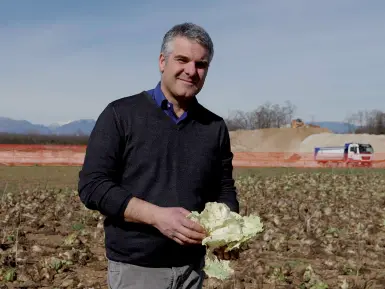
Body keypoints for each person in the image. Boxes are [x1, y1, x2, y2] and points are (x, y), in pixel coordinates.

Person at [78, 22, 239, 289]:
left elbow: (223, 189)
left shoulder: (214, 127)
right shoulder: (121, 114)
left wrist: (227, 231)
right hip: (137, 269)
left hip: (192, 270)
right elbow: (92, 186)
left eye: (201, 64)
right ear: (162, 62)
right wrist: (156, 216)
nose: (191, 71)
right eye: (182, 60)